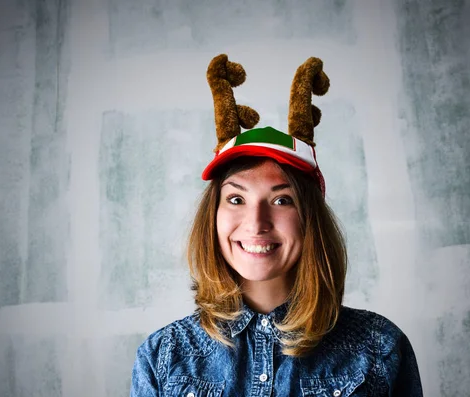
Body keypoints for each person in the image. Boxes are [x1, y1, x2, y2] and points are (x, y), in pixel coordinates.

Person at [130, 54, 423, 396]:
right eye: (236, 199)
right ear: (213, 214)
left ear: (309, 218)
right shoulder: (161, 357)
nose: (256, 223)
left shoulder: (379, 349)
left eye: (282, 200)